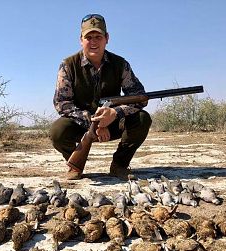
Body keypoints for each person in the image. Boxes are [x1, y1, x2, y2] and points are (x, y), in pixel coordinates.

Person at [50, 14, 152, 180]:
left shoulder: (121, 64)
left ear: (107, 38)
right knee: (57, 132)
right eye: (88, 37)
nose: (93, 42)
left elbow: (139, 97)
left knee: (142, 119)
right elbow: (62, 103)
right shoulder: (68, 65)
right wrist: (94, 122)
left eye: (98, 36)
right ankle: (74, 164)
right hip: (82, 124)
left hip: (113, 123)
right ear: (80, 40)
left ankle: (119, 165)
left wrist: (115, 113)